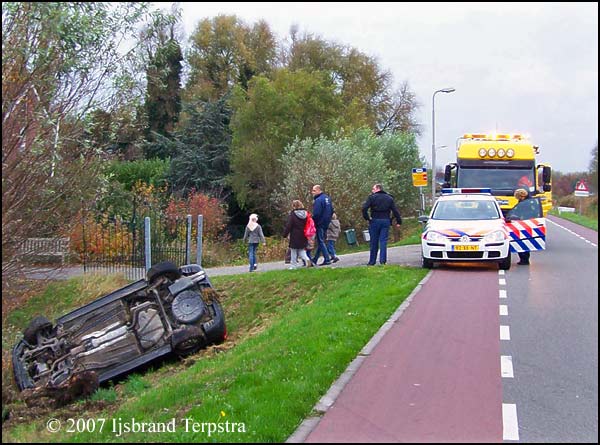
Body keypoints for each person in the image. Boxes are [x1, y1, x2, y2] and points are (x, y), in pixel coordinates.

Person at [362, 184, 402, 265]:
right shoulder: (389, 198)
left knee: (374, 241)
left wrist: (367, 218)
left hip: (375, 220)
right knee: (383, 241)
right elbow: (395, 211)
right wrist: (398, 221)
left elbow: (364, 208)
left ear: (378, 189)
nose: (372, 190)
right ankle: (382, 261)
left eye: (373, 189)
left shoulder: (372, 197)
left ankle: (372, 262)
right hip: (385, 221)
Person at [283, 200, 313, 269]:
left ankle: (293, 265)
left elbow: (289, 225)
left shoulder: (293, 214)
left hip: (294, 235)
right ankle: (307, 259)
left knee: (293, 250)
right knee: (301, 250)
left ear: (293, 206)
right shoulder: (306, 214)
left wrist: (285, 234)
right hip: (303, 234)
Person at [310, 184, 334, 266]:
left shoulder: (318, 200)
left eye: (314, 190)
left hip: (320, 223)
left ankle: (327, 259)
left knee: (320, 241)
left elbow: (316, 213)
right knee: (322, 241)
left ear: (318, 190)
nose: (312, 192)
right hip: (327, 222)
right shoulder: (327, 198)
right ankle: (316, 258)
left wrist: (313, 221)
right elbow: (331, 210)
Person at [513, 188, 531, 265]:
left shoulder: (525, 203)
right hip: (526, 224)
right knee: (525, 241)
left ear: (521, 196)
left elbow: (520, 212)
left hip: (523, 224)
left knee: (521, 241)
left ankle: (524, 259)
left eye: (517, 197)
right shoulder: (530, 201)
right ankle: (524, 259)